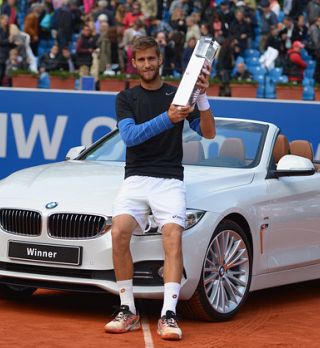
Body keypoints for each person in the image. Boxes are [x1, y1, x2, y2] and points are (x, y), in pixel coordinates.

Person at [104, 35, 215, 340]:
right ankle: (127, 309)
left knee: (172, 236)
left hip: (169, 180)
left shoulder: (178, 95)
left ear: (160, 60)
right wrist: (168, 118)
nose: (147, 64)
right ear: (134, 63)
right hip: (135, 179)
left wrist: (202, 98)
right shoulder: (125, 98)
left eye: (152, 58)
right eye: (141, 59)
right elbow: (130, 137)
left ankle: (169, 314)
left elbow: (208, 133)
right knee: (119, 232)